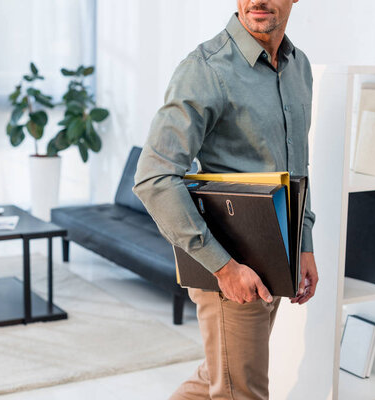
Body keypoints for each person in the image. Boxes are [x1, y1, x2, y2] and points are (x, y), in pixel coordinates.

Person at [133, 0, 318, 398]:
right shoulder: (206, 69)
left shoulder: (298, 67)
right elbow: (154, 176)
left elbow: (298, 167)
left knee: (217, 380)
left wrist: (304, 244)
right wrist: (224, 268)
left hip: (278, 260)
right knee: (242, 391)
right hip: (230, 269)